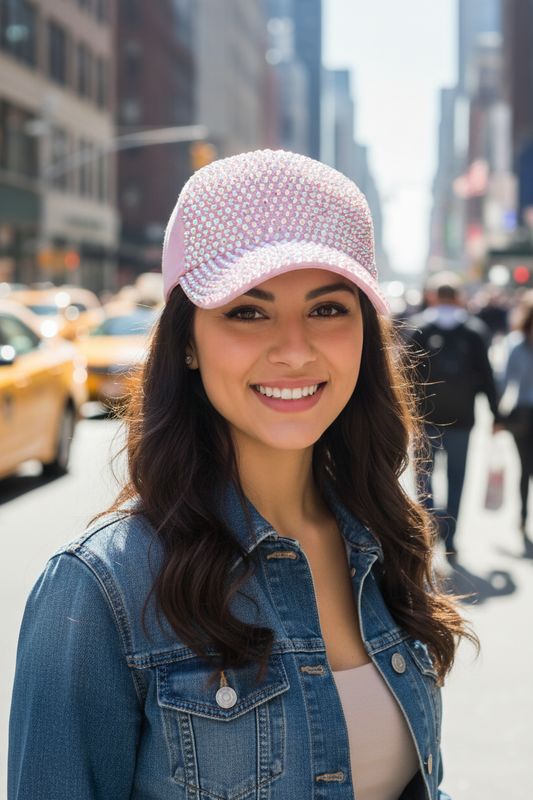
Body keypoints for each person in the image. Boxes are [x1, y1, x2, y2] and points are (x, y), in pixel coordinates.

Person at [9, 150, 475, 800]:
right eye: (247, 312)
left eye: (327, 309)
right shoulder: (99, 591)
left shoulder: (384, 540)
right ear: (188, 341)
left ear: (365, 333)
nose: (292, 348)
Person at [406, 273, 499, 559]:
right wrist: (496, 415)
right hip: (462, 418)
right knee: (458, 477)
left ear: (432, 296)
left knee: (424, 476)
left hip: (425, 417)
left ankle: (430, 526)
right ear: (459, 297)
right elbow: (486, 375)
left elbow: (404, 375)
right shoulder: (473, 331)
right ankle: (452, 537)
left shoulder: (419, 328)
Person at [499, 292, 533, 540]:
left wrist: (498, 416)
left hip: (522, 413)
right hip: (523, 413)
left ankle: (522, 516)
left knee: (524, 467)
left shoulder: (517, 342)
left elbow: (504, 381)